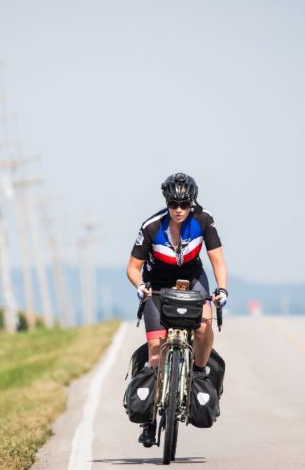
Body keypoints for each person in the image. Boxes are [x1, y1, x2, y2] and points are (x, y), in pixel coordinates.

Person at [126, 172, 228, 446]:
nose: (179, 210)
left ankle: (199, 372)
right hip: (157, 287)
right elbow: (133, 268)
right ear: (167, 203)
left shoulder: (204, 220)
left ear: (192, 202)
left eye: (184, 204)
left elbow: (217, 260)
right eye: (173, 204)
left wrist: (222, 290)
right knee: (156, 352)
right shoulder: (151, 227)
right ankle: (149, 421)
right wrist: (140, 287)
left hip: (191, 280)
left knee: (205, 325)